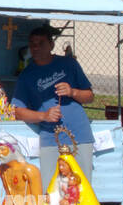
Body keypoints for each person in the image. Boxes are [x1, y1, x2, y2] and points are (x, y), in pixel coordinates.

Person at [12, 25, 95, 185]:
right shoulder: (26, 75)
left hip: (79, 134)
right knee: (51, 189)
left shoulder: (69, 64)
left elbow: (90, 96)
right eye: (32, 44)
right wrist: (43, 116)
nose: (36, 48)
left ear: (51, 45)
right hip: (51, 137)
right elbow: (18, 111)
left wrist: (73, 92)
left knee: (82, 186)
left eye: (40, 43)